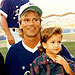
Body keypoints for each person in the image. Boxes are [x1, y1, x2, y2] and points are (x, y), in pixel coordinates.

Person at [4, 2, 75, 75]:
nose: (31, 24)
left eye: (35, 20)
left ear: (40, 23)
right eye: (27, 20)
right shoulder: (13, 52)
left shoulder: (55, 47)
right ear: (20, 24)